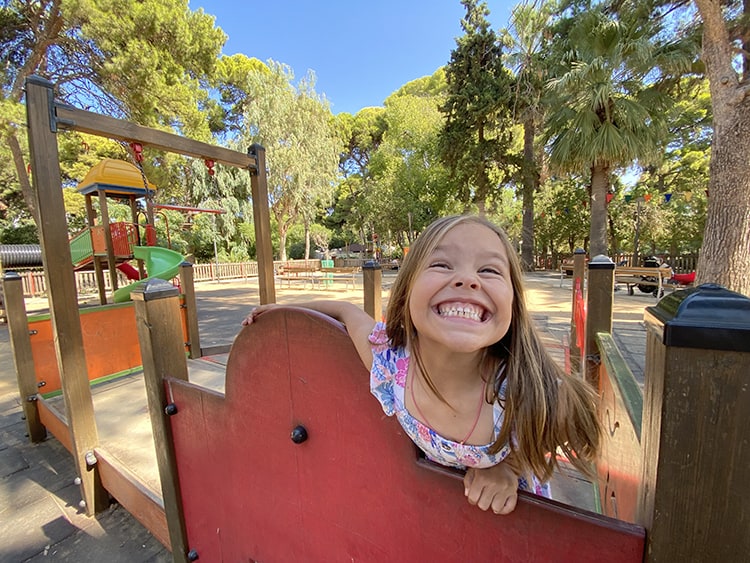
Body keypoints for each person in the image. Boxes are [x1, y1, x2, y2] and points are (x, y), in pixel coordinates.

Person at [243, 215, 601, 515]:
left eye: (489, 270)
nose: (467, 279)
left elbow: (575, 434)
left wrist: (509, 466)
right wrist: (284, 310)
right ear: (407, 291)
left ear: (514, 304)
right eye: (442, 264)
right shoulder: (391, 367)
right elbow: (348, 313)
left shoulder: (524, 390)